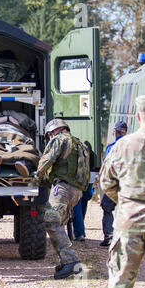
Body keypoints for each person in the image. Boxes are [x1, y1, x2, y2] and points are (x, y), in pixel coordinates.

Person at [100, 94, 145, 288]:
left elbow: (106, 182)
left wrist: (126, 204)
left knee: (120, 283)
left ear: (139, 117)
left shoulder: (121, 146)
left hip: (128, 223)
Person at [31, 118, 90, 279]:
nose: (49, 138)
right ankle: (65, 262)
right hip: (76, 191)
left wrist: (36, 177)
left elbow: (48, 158)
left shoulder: (59, 139)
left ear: (53, 131)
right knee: (59, 224)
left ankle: (71, 261)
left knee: (51, 221)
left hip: (63, 188)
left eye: (49, 135)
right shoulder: (80, 144)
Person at [0, 110, 39, 177]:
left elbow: (24, 126)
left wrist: (12, 120)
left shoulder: (20, 121)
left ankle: (23, 166)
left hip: (14, 137)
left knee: (20, 147)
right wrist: (8, 118)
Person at [99, 120, 128, 247]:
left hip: (114, 184)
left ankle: (109, 237)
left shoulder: (111, 147)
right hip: (128, 185)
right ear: (126, 132)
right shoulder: (133, 147)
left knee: (107, 208)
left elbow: (107, 166)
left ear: (115, 132)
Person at [71, 172, 95, 241]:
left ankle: (79, 232)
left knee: (76, 203)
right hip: (90, 178)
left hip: (75, 177)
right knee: (83, 201)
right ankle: (80, 228)